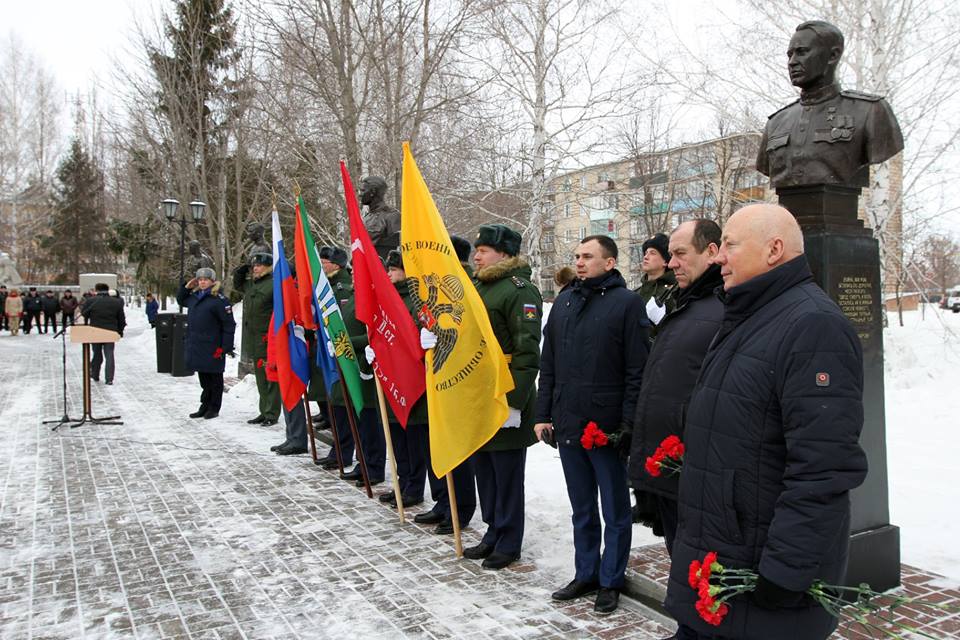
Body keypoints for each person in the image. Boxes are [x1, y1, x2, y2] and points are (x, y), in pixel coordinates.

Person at [663, 204, 868, 639]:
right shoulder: (748, 315)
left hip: (760, 579)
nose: (719, 257)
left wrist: (786, 572)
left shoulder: (814, 326)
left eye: (730, 245)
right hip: (718, 558)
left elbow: (823, 467)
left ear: (774, 250)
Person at [534, 235, 649, 614]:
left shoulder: (627, 303)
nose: (580, 262)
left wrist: (628, 423)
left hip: (606, 427)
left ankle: (611, 579)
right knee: (581, 508)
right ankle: (586, 572)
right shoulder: (564, 302)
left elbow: (637, 370)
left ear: (610, 262)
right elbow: (548, 363)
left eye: (588, 256)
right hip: (568, 422)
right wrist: (543, 414)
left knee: (614, 510)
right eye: (577, 256)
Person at [627, 220, 724, 578]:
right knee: (682, 562)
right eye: (670, 255)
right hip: (670, 464)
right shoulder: (686, 302)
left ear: (711, 252)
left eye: (680, 254)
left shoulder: (723, 308)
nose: (672, 263)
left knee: (701, 572)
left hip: (694, 469)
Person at [460, 224, 542, 570]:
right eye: (476, 250)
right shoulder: (479, 286)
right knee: (485, 470)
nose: (476, 256)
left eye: (484, 250)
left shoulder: (519, 290)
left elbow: (527, 352)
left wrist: (514, 402)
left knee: (506, 475)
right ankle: (493, 531)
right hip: (479, 393)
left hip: (504, 392)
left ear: (505, 254)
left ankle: (509, 541)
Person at [757, 20, 903, 189]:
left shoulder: (870, 111)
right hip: (786, 205)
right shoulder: (776, 123)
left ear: (833, 55)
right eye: (790, 55)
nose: (792, 62)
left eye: (802, 52)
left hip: (840, 203)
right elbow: (764, 166)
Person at [414, 234, 479, 534]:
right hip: (438, 374)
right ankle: (443, 500)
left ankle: (460, 508)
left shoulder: (466, 285)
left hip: (460, 376)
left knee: (457, 448)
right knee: (437, 442)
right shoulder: (439, 284)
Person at [366, 250, 428, 507]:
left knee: (413, 439)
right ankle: (402, 483)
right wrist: (374, 348)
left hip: (410, 378)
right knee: (397, 438)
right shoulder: (386, 299)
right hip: (391, 377)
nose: (389, 274)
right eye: (388, 269)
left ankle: (414, 487)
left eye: (393, 269)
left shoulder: (417, 299)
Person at [313, 245, 357, 469]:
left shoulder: (342, 288)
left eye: (325, 262)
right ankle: (338, 451)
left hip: (344, 352)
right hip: (332, 350)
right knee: (336, 405)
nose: (321, 265)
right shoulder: (328, 284)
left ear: (337, 265)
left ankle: (343, 453)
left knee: (343, 406)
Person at [177, 268, 236, 420]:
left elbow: (229, 325)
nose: (202, 282)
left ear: (212, 281)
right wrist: (186, 287)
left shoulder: (219, 300)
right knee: (204, 379)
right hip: (197, 344)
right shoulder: (194, 297)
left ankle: (214, 407)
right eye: (200, 279)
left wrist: (225, 347)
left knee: (214, 379)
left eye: (206, 279)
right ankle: (204, 406)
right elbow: (181, 300)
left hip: (213, 346)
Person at [233, 253, 281, 427]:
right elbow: (238, 284)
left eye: (259, 266)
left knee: (271, 378)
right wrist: (243, 268)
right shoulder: (252, 284)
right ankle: (264, 411)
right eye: (254, 266)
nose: (255, 269)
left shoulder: (274, 285)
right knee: (261, 377)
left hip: (267, 339)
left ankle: (272, 413)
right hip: (254, 339)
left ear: (268, 267)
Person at [80, 283, 126, 385]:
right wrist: (120, 331)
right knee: (109, 355)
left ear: (96, 290)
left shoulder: (91, 301)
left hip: (95, 331)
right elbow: (121, 319)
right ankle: (109, 379)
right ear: (107, 289)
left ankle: (95, 374)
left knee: (97, 354)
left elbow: (84, 313)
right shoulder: (116, 302)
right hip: (111, 332)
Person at [359, 176, 401, 260]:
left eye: (363, 190)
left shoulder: (392, 216)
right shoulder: (366, 217)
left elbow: (398, 250)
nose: (360, 194)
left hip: (382, 266)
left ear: (373, 192)